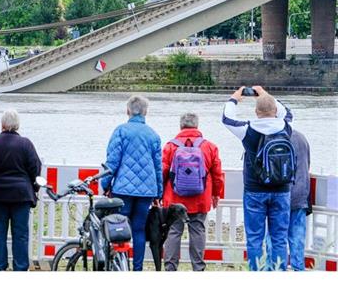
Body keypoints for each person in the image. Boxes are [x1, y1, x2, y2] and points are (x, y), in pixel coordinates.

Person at [222, 85, 293, 271]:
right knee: (279, 238)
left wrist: (235, 98)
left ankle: (257, 272)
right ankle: (278, 272)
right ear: (275, 111)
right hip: (282, 190)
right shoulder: (286, 126)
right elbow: (287, 111)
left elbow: (226, 118)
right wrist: (264, 94)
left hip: (254, 190)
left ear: (256, 111)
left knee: (255, 238)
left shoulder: (248, 129)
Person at [100, 95, 162, 271]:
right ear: (145, 112)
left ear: (127, 111)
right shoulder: (153, 135)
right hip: (146, 191)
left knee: (120, 228)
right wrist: (158, 193)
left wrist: (106, 185)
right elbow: (158, 167)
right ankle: (137, 269)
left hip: (123, 189)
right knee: (139, 230)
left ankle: (121, 266)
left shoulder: (120, 131)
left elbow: (112, 162)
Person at [161, 112, 224, 271]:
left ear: (181, 126)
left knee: (173, 231)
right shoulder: (209, 147)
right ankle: (198, 268)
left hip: (174, 198)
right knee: (198, 230)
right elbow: (217, 174)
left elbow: (162, 171)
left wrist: (158, 194)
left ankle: (170, 267)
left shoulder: (170, 146)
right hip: (200, 197)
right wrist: (216, 194)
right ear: (197, 126)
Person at [0, 109, 41, 271]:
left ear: (2, 124)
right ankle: (20, 267)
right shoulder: (25, 144)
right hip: (21, 195)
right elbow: (35, 168)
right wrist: (34, 188)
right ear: (17, 125)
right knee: (20, 234)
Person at [266, 129, 311, 270]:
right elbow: (307, 165)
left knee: (275, 238)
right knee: (297, 238)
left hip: (279, 195)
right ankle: (298, 269)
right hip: (300, 194)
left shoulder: (271, 138)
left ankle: (276, 268)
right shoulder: (302, 138)